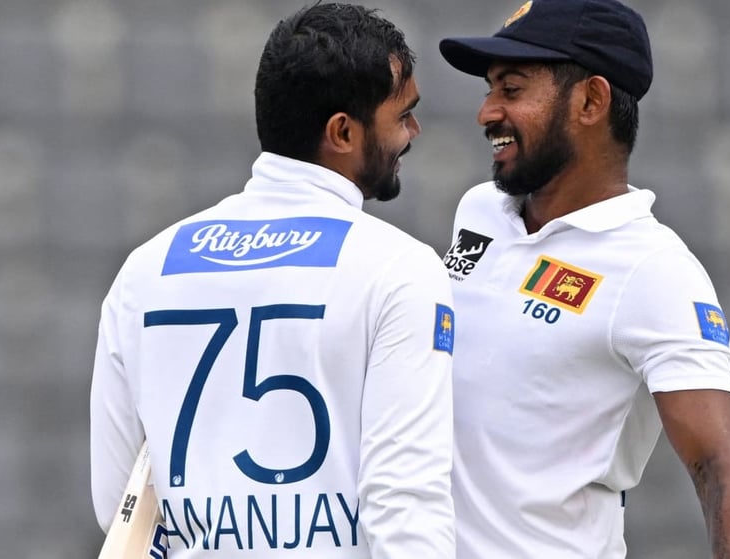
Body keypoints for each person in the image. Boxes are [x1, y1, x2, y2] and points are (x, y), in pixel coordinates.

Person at [91, 4, 456, 557]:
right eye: (402, 115)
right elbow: (405, 508)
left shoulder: (145, 269)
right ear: (343, 132)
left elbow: (119, 504)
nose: (413, 131)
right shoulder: (398, 268)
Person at [437, 0, 730, 557]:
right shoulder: (478, 211)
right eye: (489, 89)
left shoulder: (654, 270)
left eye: (512, 89)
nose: (487, 112)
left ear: (591, 100)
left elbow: (725, 477)